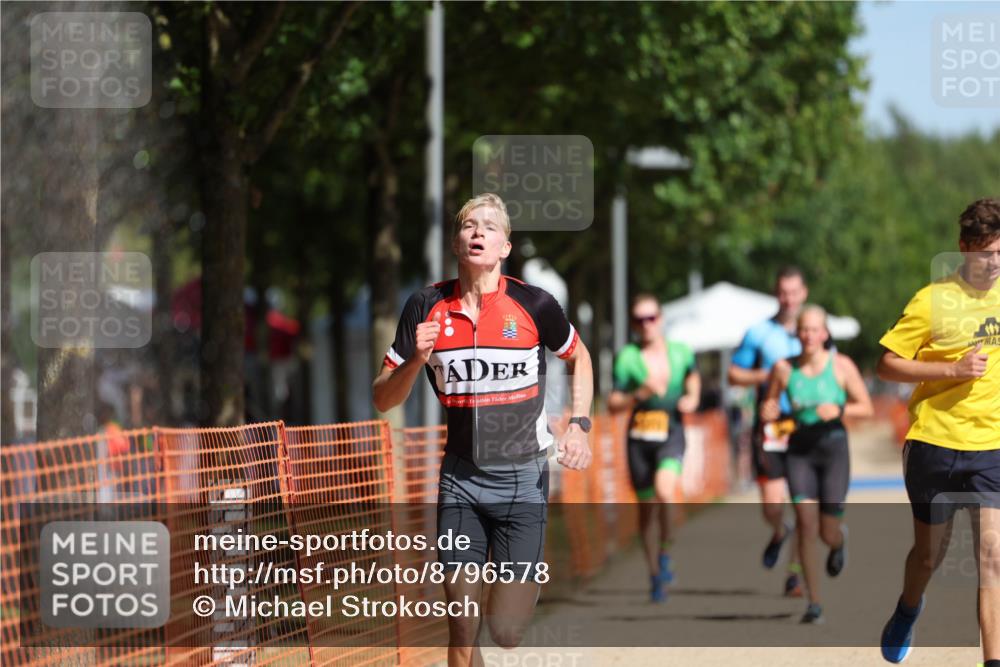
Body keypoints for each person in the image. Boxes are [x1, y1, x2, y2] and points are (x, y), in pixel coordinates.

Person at [373, 193, 594, 666]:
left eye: (490, 227)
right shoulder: (425, 305)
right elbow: (382, 397)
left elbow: (579, 355)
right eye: (469, 225)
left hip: (523, 480)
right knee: (462, 623)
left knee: (506, 632)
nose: (478, 232)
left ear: (505, 247)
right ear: (456, 242)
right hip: (461, 480)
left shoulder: (534, 304)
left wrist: (578, 424)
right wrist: (416, 359)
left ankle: (525, 573)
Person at [876, 197, 1000, 665]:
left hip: (993, 445)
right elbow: (885, 365)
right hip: (936, 442)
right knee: (930, 555)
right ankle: (908, 609)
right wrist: (951, 370)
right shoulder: (932, 301)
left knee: (993, 558)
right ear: (964, 248)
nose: (994, 264)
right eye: (986, 254)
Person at [761, 305, 873, 624]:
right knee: (806, 525)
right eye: (803, 330)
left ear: (824, 333)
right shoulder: (783, 369)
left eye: (814, 330)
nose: (809, 336)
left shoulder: (841, 366)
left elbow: (864, 407)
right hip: (799, 453)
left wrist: (838, 409)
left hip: (833, 451)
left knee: (827, 532)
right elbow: (770, 405)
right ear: (797, 333)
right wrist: (769, 411)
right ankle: (815, 603)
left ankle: (840, 541)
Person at [609, 293, 700, 602]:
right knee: (646, 513)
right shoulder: (627, 358)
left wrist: (692, 398)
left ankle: (665, 552)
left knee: (665, 492)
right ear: (634, 324)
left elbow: (693, 378)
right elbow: (613, 403)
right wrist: (638, 394)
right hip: (639, 438)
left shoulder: (681, 351)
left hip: (671, 430)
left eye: (652, 318)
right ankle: (654, 574)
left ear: (661, 319)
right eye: (640, 319)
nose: (646, 325)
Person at [728, 266, 809, 596]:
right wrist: (773, 376)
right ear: (776, 294)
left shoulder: (816, 331)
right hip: (771, 425)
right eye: (783, 292)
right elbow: (734, 374)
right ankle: (779, 530)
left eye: (794, 292)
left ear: (804, 293)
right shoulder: (759, 333)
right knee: (773, 505)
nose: (788, 299)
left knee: (805, 503)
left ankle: (795, 574)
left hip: (806, 424)